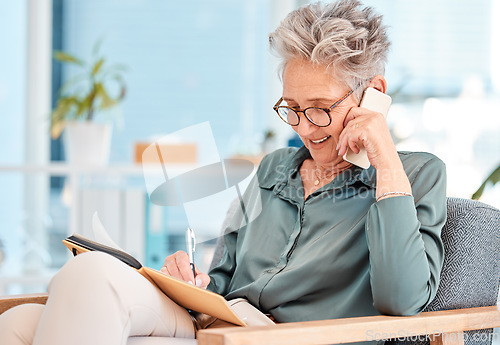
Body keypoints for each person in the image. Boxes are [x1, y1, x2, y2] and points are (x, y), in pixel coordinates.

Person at [0, 1, 446, 344]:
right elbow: (224, 279)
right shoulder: (275, 169)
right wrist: (191, 282)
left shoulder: (416, 175)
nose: (305, 129)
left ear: (373, 95)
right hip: (217, 322)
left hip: (275, 337)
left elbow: (402, 299)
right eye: (292, 109)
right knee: (20, 322)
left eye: (321, 110)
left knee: (88, 279)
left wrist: (385, 159)